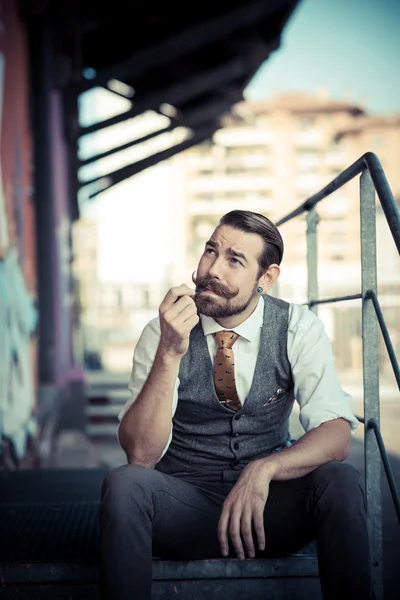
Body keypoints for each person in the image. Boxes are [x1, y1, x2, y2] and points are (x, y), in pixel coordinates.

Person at [100, 210, 372, 600]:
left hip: (267, 511)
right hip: (186, 507)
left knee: (341, 480)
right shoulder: (162, 332)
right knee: (124, 484)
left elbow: (337, 435)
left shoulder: (297, 327)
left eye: (235, 260)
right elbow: (140, 455)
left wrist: (265, 469)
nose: (212, 269)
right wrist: (168, 354)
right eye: (211, 250)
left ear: (266, 278)